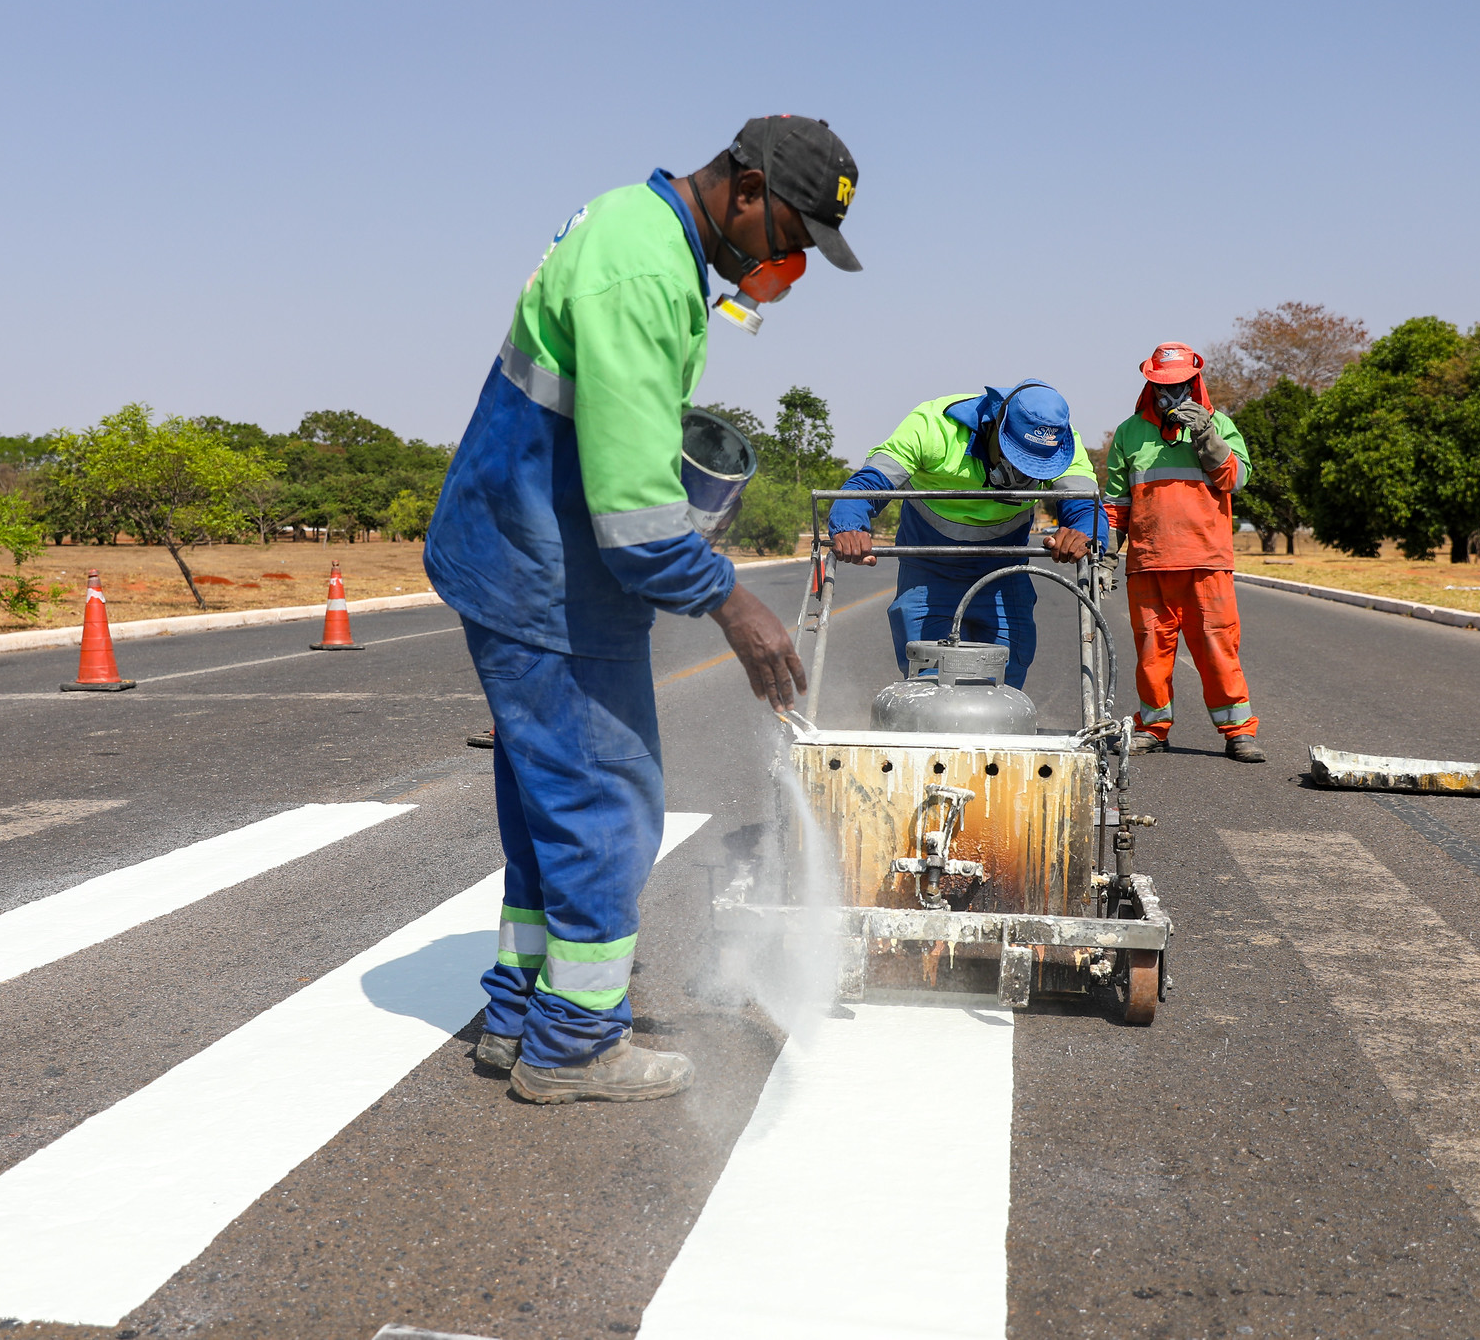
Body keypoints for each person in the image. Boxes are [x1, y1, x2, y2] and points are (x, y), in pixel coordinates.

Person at [423, 116, 863, 1104]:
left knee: (548, 807)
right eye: (790, 237)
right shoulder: (645, 270)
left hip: (525, 550)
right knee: (606, 807)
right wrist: (733, 604)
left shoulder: (639, 225)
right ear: (745, 190)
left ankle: (519, 1013)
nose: (785, 264)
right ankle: (575, 1044)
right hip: (549, 578)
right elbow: (633, 519)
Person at [827, 382, 1103, 688]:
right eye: (1019, 459)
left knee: (1003, 687)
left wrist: (1082, 533)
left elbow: (1085, 508)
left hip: (1003, 574)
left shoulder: (1058, 440)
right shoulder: (933, 427)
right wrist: (849, 525)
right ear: (996, 425)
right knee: (930, 686)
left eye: (1039, 467)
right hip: (928, 573)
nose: (1026, 475)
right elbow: (866, 485)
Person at [1102, 342, 1266, 762]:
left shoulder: (1220, 425)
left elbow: (1235, 480)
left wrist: (1206, 436)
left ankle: (1238, 732)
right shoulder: (1129, 432)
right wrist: (1105, 555)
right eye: (1162, 385)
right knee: (1152, 654)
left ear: (1194, 383)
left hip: (1206, 561)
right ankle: (1152, 728)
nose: (1170, 393)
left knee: (1217, 649)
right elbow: (1116, 504)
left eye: (1179, 384)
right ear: (1150, 385)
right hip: (1149, 563)